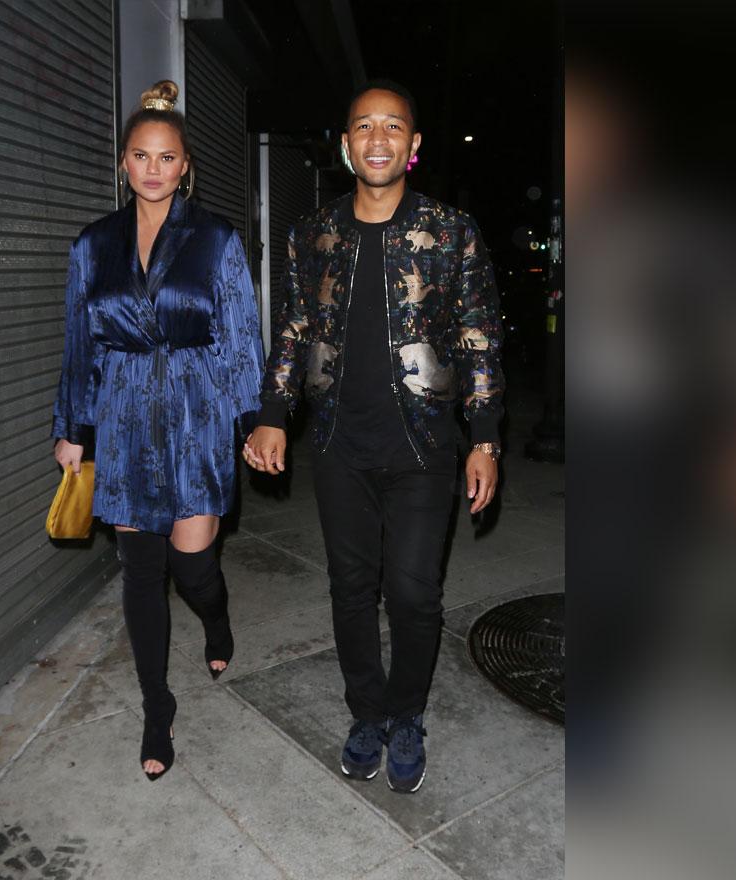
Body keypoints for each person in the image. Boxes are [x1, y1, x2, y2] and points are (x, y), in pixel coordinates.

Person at [245, 80, 503, 794]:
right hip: (336, 442)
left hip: (423, 444)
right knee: (352, 588)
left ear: (413, 147)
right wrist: (272, 412)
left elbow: (481, 337)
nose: (379, 138)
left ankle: (408, 712)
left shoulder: (452, 232)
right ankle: (367, 712)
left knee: (415, 594)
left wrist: (484, 438)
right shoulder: (313, 233)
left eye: (394, 126)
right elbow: (294, 327)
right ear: (345, 145)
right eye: (365, 126)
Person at [51, 81, 264, 781]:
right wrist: (73, 429)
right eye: (139, 155)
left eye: (165, 157)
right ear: (122, 164)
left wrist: (255, 423)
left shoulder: (216, 238)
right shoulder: (93, 244)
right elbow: (80, 345)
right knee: (140, 573)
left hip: (197, 415)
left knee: (194, 564)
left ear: (184, 165)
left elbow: (239, 340)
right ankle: (156, 707)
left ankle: (218, 614)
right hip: (122, 417)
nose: (151, 168)